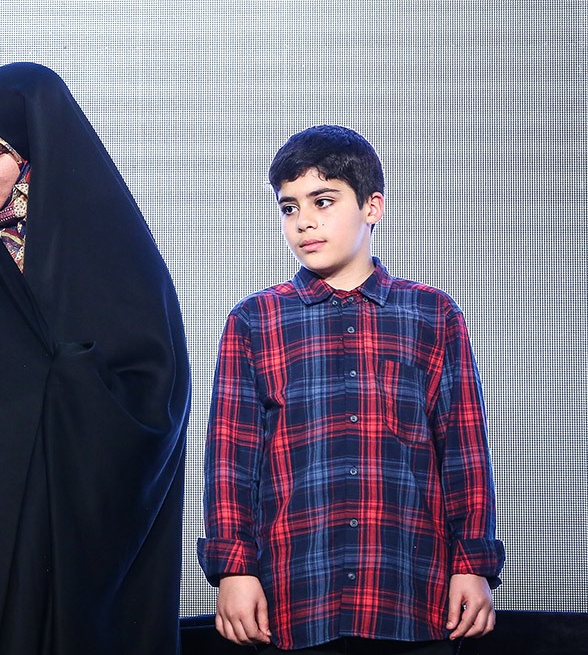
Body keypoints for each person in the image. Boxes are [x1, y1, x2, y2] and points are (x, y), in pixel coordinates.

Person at [199, 124, 504, 654]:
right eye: (289, 207)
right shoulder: (255, 321)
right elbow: (231, 459)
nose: (304, 221)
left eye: (323, 201)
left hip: (410, 593)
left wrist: (472, 564)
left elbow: (463, 451)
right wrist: (234, 570)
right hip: (295, 598)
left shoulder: (432, 314)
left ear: (372, 206)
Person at [0, 62, 192, 654]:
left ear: (35, 153)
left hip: (81, 514)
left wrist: (69, 390)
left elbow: (156, 384)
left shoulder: (109, 243)